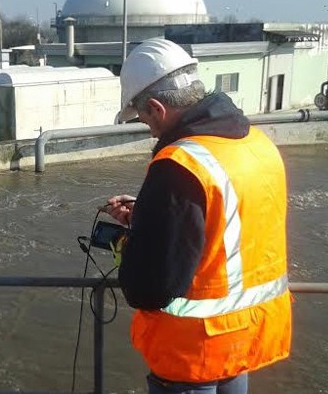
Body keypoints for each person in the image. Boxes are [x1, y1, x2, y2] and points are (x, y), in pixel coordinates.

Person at [105, 39, 291, 394]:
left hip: (193, 353)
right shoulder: (256, 144)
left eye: (144, 117)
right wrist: (148, 216)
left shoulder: (179, 165)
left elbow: (151, 288)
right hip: (245, 339)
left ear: (157, 108)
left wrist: (129, 242)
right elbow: (227, 228)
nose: (148, 127)